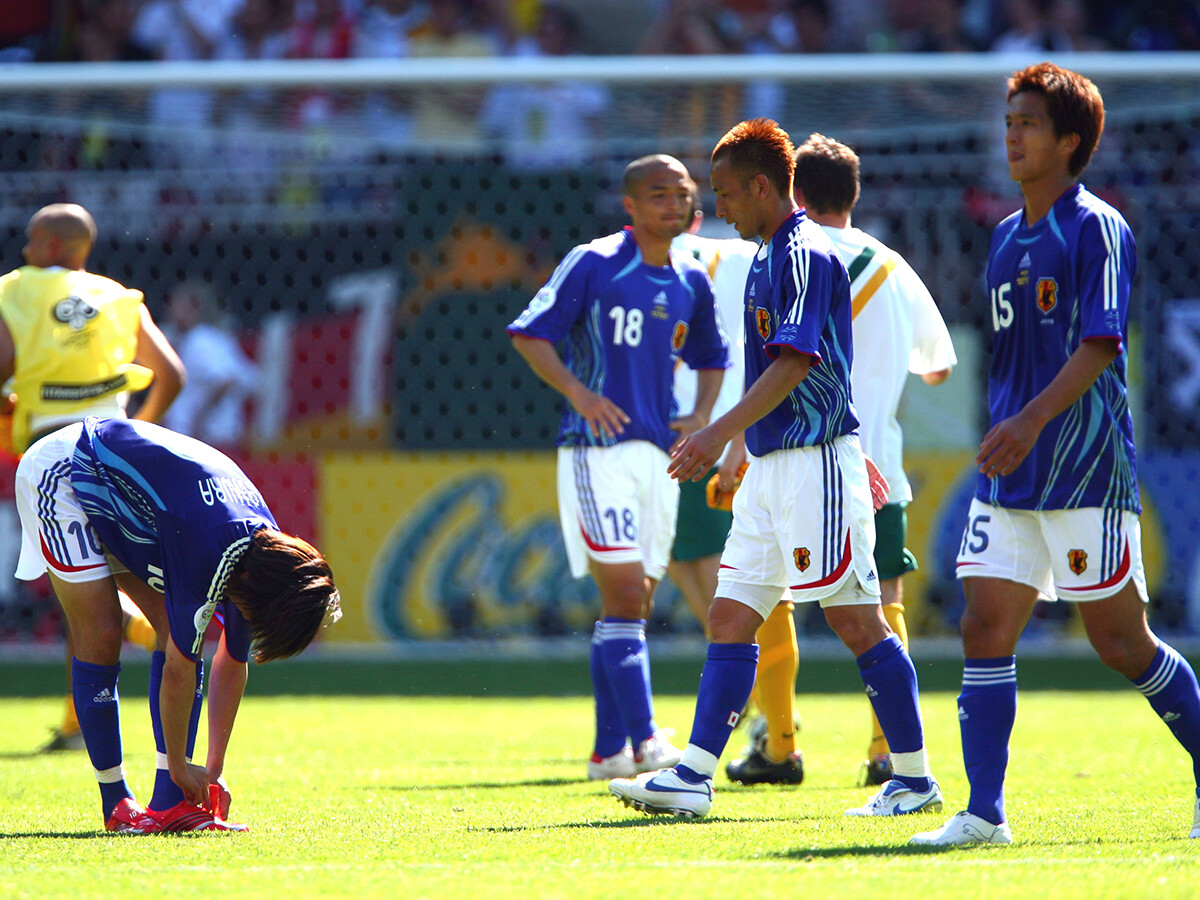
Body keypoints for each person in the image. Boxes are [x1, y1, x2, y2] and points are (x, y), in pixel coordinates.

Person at [609, 118, 942, 820]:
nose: (717, 206)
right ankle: (693, 777)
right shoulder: (763, 254)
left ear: (763, 186)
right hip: (771, 466)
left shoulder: (801, 251)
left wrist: (714, 432)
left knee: (858, 622)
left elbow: (796, 362)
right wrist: (739, 446)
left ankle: (912, 776)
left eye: (726, 192)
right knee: (731, 617)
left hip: (814, 464)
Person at [911, 62, 1200, 847]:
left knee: (1120, 644)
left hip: (1084, 469)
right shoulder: (1005, 236)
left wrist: (1031, 421)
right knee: (984, 625)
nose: (1011, 134)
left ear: (1070, 141)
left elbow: (1102, 345)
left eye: (1029, 123)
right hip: (1014, 470)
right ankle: (983, 814)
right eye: (1008, 122)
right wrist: (1006, 427)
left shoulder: (1097, 227)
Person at [723, 133, 958, 788]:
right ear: (853, 195)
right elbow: (938, 369)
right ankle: (888, 753)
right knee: (881, 604)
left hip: (797, 451)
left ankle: (780, 743)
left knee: (767, 599)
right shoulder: (891, 266)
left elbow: (775, 361)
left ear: (790, 187)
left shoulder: (780, 259)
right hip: (874, 455)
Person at [508, 154, 729, 782]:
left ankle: (609, 752)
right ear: (630, 205)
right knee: (628, 594)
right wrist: (580, 395)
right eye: (658, 194)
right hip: (595, 449)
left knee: (632, 602)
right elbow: (530, 333)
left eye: (682, 194)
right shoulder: (594, 261)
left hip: (658, 455)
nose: (673, 204)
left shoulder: (693, 278)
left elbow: (713, 354)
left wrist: (702, 414)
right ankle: (648, 738)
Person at [13, 416, 342, 833]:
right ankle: (117, 804)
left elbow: (232, 661)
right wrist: (179, 766)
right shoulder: (209, 547)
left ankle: (171, 803)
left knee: (178, 629)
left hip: (126, 499)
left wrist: (212, 768)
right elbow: (178, 669)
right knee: (102, 632)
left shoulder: (263, 557)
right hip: (64, 472)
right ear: (262, 595)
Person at [0, 202, 185, 753]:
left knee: (78, 589)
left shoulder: (15, 289)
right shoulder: (118, 294)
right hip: (119, 446)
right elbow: (171, 374)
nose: (27, 250)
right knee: (106, 576)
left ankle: (138, 636)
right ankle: (77, 721)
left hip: (50, 449)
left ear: (52, 246)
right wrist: (137, 431)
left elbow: (4, 362)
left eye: (33, 240)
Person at [668, 183, 754, 631]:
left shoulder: (626, 262)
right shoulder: (742, 257)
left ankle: (738, 669)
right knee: (701, 555)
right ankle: (736, 668)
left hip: (664, 429)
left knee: (687, 554)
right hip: (727, 425)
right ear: (699, 219)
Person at [162, 280, 258, 452]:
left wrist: (199, 421)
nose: (170, 310)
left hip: (205, 441)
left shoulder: (200, 339)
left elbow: (225, 381)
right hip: (211, 439)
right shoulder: (215, 338)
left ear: (193, 307)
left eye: (176, 304)